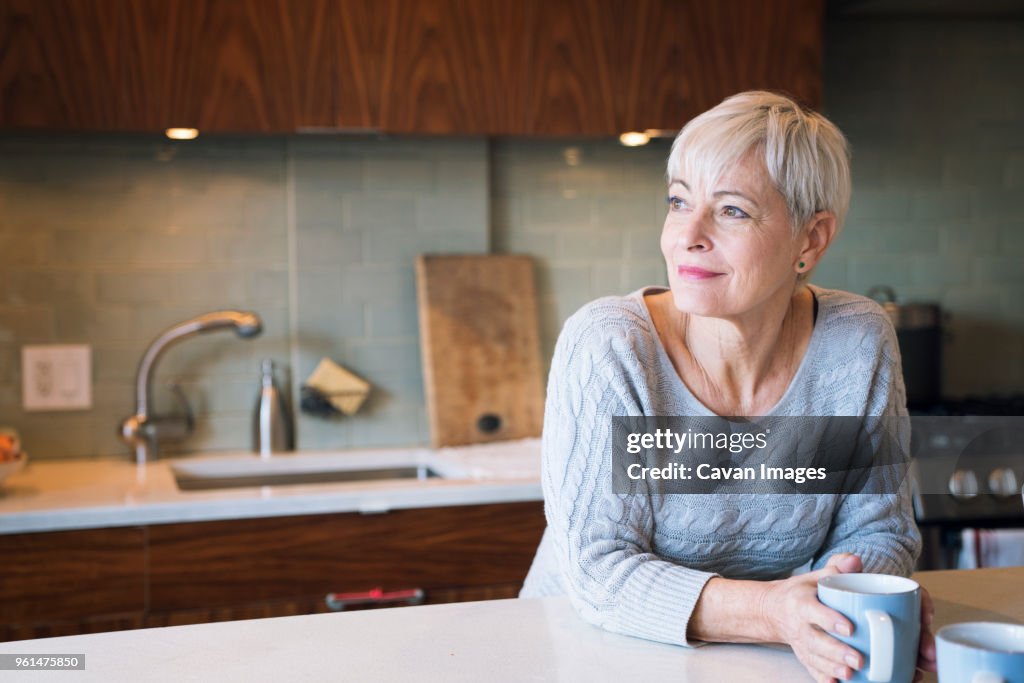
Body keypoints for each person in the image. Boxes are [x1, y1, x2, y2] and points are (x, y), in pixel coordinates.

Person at [519, 91, 937, 683]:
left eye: (732, 210)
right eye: (678, 201)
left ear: (811, 240)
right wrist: (773, 611)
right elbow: (598, 568)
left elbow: (880, 530)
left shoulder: (856, 339)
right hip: (583, 655)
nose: (687, 235)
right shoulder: (609, 346)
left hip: (772, 664)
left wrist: (858, 606)